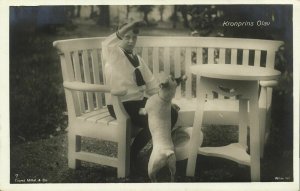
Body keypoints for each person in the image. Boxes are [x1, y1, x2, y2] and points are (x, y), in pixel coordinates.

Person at [102, 20, 178, 174]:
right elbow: (107, 42)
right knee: (154, 120)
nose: (130, 41)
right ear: (120, 37)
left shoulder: (137, 58)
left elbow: (152, 84)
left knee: (171, 113)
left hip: (137, 103)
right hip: (120, 104)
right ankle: (132, 154)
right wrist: (129, 25)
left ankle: (155, 154)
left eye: (134, 37)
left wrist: (166, 102)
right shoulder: (113, 53)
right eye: (126, 37)